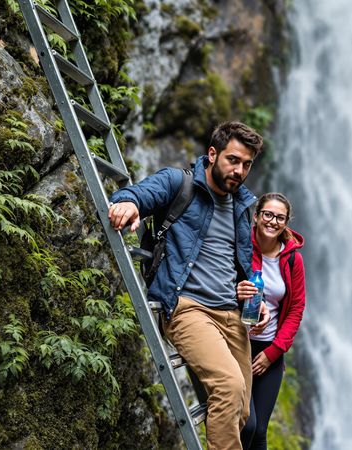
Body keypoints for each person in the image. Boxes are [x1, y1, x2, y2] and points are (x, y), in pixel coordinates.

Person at [108, 121, 270, 450]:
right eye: (233, 160)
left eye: (247, 164)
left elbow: (238, 265)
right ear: (212, 154)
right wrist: (129, 204)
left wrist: (255, 299)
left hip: (232, 316)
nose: (239, 171)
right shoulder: (178, 182)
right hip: (188, 308)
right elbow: (135, 194)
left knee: (240, 409)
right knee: (228, 386)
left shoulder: (241, 207)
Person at [237, 193, 306, 450]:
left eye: (280, 217)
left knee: (260, 431)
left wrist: (273, 352)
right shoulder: (240, 245)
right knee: (247, 425)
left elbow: (296, 308)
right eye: (268, 214)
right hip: (237, 344)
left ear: (286, 222)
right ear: (256, 216)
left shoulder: (292, 259)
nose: (273, 221)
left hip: (270, 351)